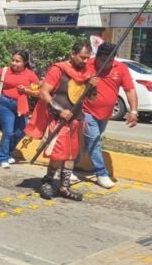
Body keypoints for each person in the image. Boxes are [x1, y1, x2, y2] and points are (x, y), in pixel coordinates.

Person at [26, 40, 97, 201]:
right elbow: (44, 93)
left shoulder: (88, 72)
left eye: (88, 58)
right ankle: (48, 181)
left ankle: (64, 187)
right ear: (72, 54)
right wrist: (60, 110)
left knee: (71, 155)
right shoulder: (58, 69)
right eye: (82, 57)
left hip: (77, 119)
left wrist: (93, 86)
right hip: (59, 119)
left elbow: (92, 98)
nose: (85, 61)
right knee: (58, 154)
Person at [75, 42, 138, 188]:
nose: (106, 64)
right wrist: (86, 82)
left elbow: (129, 90)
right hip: (86, 111)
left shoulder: (121, 68)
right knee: (94, 141)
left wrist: (133, 111)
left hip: (105, 115)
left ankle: (68, 167)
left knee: (86, 143)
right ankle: (101, 174)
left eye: (110, 60)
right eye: (103, 60)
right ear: (96, 57)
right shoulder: (87, 64)